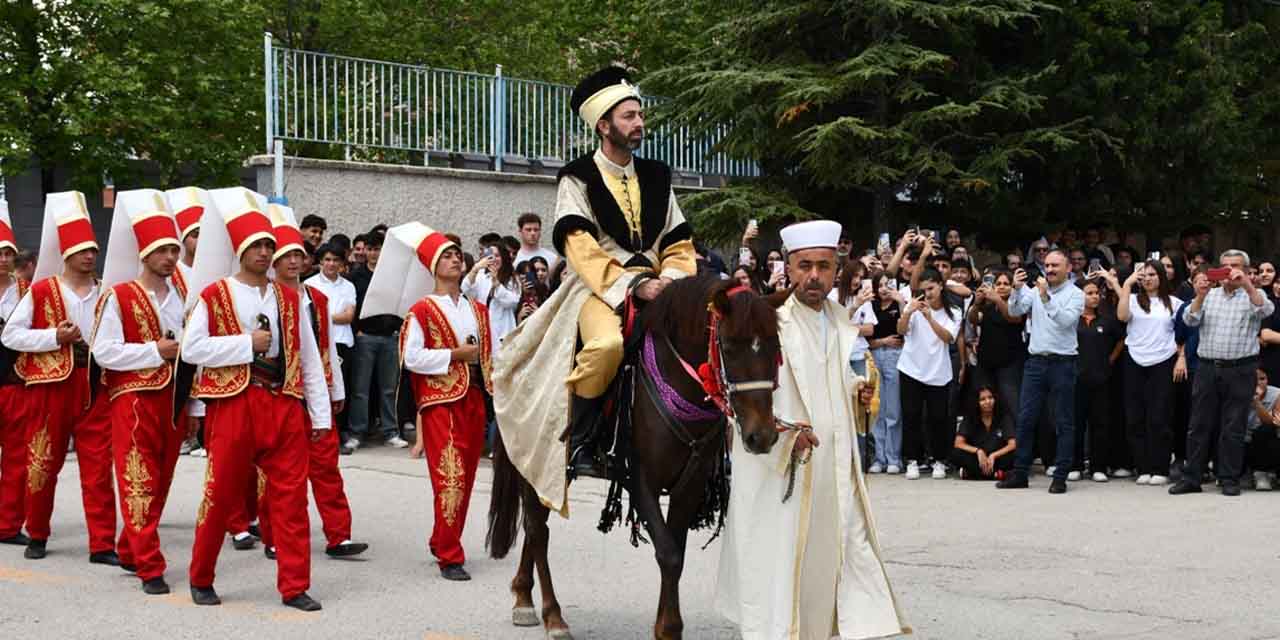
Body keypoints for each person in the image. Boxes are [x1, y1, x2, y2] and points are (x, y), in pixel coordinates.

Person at [492, 66, 696, 494]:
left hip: (664, 284)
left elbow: (679, 241)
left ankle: (710, 446)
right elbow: (578, 243)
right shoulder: (576, 176)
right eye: (628, 116)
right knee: (606, 346)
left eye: (640, 114)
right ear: (604, 126)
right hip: (597, 288)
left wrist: (674, 279)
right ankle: (581, 440)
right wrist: (632, 286)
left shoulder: (658, 175)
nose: (639, 123)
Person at [716, 219, 908, 640]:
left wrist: (858, 391)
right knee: (780, 572)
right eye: (805, 266)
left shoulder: (840, 320)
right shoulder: (765, 321)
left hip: (831, 471)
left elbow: (827, 385)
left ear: (837, 268)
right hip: (781, 472)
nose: (814, 276)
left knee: (825, 569)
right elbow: (742, 397)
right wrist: (785, 433)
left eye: (824, 266)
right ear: (788, 266)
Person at [182, 187, 331, 610]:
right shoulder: (216, 294)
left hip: (283, 403)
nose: (266, 253)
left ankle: (295, 585)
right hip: (235, 403)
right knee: (220, 492)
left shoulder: (289, 297)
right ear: (239, 249)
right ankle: (201, 575)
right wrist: (246, 344)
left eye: (270, 245)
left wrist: (318, 414)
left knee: (290, 499)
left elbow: (306, 357)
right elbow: (192, 351)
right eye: (257, 245)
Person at [368, 223, 492, 581]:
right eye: (446, 256)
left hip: (472, 399)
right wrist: (454, 354)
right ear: (432, 267)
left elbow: (491, 354)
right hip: (440, 402)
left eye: (457, 255)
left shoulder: (477, 310)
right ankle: (450, 555)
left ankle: (442, 539)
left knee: (465, 478)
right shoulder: (421, 310)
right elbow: (410, 357)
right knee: (449, 476)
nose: (454, 260)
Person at [2, 191, 118, 562]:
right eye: (83, 249)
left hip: (93, 384)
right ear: (66, 253)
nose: (89, 256)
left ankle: (102, 543)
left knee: (99, 468)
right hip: (50, 387)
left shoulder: (106, 293)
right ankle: (37, 533)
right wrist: (55, 336)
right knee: (42, 462)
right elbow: (11, 335)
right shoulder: (41, 290)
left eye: (93, 250)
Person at [91, 189, 192, 595]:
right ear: (145, 253)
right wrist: (155, 350)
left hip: (172, 400)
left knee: (162, 479)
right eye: (163, 250)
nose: (171, 257)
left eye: (174, 250)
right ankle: (150, 565)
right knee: (138, 479)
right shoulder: (118, 295)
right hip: (132, 399)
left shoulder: (182, 296)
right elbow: (103, 351)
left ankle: (130, 548)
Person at [260, 206, 366, 560]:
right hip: (278, 394)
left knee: (326, 466)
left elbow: (324, 347)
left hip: (316, 390)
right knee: (277, 472)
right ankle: (273, 535)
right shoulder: (267, 297)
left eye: (298, 255)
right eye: (285, 256)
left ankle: (339, 535)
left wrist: (334, 390)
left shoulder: (316, 299)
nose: (293, 261)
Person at [1170, 250, 1275, 497]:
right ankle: (1192, 477)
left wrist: (1247, 285)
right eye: (1225, 266)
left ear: (1247, 270)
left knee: (1233, 425)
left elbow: (1266, 310)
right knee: (1198, 424)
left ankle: (1228, 477)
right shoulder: (1209, 294)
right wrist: (1200, 295)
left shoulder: (1254, 295)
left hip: (1241, 368)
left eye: (1235, 266)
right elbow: (1190, 320)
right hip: (1207, 366)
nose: (1229, 271)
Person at [996, 249, 1086, 494]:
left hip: (1063, 363)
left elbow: (1066, 321)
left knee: (1063, 421)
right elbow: (1014, 311)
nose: (1050, 269)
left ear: (1069, 268)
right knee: (1025, 419)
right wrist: (1016, 289)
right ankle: (1021, 473)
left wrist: (1046, 297)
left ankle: (1060, 476)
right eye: (1047, 265)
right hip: (1035, 362)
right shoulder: (1035, 291)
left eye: (1056, 265)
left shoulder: (1076, 295)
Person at [1101, 260, 1185, 485]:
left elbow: (1183, 333)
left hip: (1163, 361)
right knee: (1135, 417)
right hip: (1134, 360)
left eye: (1152, 274)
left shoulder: (1175, 303)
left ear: (1161, 277)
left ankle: (1160, 468)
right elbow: (1121, 317)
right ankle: (1143, 468)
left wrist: (1181, 358)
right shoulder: (1133, 301)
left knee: (1160, 416)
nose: (1148, 279)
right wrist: (1126, 285)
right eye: (1144, 275)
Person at [896, 268, 961, 480]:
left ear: (941, 286)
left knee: (938, 418)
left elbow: (948, 338)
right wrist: (908, 311)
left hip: (938, 372)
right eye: (924, 290)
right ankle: (912, 460)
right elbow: (901, 330)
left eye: (932, 288)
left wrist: (929, 317)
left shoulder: (953, 311)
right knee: (911, 415)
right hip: (910, 368)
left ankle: (939, 460)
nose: (928, 293)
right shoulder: (913, 307)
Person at [346, 231, 409, 450]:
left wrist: (397, 329)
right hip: (365, 338)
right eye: (370, 249)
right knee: (360, 389)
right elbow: (350, 305)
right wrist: (357, 331)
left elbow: (402, 303)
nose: (374, 253)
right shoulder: (355, 276)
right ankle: (356, 432)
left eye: (378, 249)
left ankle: (390, 431)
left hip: (389, 337)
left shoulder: (393, 276)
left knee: (389, 388)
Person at [306, 243, 358, 452]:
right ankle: (319, 431)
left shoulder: (348, 286)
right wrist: (331, 318)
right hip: (319, 343)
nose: (331, 264)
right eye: (327, 259)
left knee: (341, 388)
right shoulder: (309, 285)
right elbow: (311, 319)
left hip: (343, 342)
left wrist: (325, 317)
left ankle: (340, 432)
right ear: (320, 262)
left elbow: (349, 316)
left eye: (336, 260)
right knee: (320, 388)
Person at [0, 201, 30, 546]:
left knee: (18, 458)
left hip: (17, 384)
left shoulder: (29, 292)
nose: (4, 259)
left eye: (8, 252)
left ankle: (8, 524)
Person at [1075, 279, 1125, 482]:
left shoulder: (1107, 319)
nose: (1095, 296)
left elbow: (1121, 339)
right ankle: (1075, 465)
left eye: (1096, 293)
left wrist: (1110, 360)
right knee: (1075, 424)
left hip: (1101, 379)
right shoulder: (1071, 319)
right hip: (1075, 379)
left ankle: (1098, 467)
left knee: (1100, 423)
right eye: (1089, 293)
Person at [969, 269, 1026, 416]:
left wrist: (998, 300)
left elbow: (1013, 318)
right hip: (986, 363)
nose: (1001, 286)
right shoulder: (988, 306)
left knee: (1011, 404)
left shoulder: (1018, 304)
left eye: (1006, 284)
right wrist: (976, 304)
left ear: (1013, 287)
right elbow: (973, 319)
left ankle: (1018, 437)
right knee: (985, 405)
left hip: (1009, 364)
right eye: (998, 283)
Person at [867, 273, 906, 474]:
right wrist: (882, 342)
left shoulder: (899, 304)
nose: (883, 289)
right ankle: (878, 458)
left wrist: (901, 303)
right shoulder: (871, 306)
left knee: (893, 411)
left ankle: (893, 458)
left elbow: (906, 331)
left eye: (887, 284)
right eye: (879, 284)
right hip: (874, 356)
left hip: (895, 356)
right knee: (877, 410)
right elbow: (867, 337)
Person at [949, 385, 1016, 480]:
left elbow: (1013, 444)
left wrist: (994, 455)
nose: (988, 402)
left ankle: (972, 474)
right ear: (976, 402)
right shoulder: (970, 417)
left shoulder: (1003, 416)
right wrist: (978, 451)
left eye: (990, 397)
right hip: (977, 459)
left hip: (998, 459)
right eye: (982, 399)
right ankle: (997, 475)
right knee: (955, 454)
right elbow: (958, 443)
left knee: (1018, 453)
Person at [1245, 368, 1280, 491]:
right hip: (1244, 440)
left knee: (1266, 428)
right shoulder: (1238, 392)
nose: (1258, 383)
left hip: (1265, 440)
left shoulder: (1276, 394)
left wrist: (1257, 403)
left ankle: (1263, 473)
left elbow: (1273, 422)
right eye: (1253, 379)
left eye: (1262, 379)